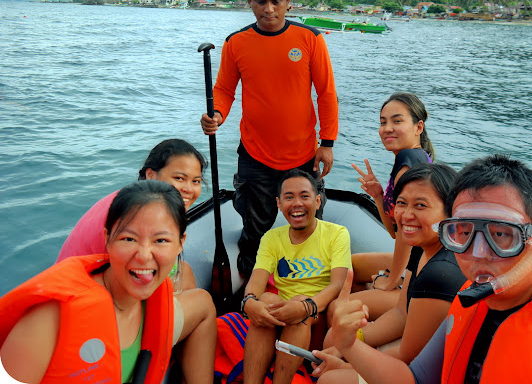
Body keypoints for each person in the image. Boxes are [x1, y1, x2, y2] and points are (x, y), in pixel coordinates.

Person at [313, 154, 532, 384]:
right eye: (464, 234)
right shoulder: (473, 300)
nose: (480, 254)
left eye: (502, 235)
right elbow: (413, 378)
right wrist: (349, 345)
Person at [0, 180, 216, 384]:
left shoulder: (157, 302)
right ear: (107, 239)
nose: (143, 255)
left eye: (161, 240)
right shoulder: (51, 316)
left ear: (180, 244)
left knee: (202, 302)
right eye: (128, 239)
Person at [200, 0, 339, 276]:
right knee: (254, 231)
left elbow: (326, 94)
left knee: (309, 224)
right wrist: (217, 115)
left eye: (276, 1)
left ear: (288, 0)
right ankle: (253, 295)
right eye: (261, 1)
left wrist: (327, 143)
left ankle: (312, 282)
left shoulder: (310, 38)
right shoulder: (236, 42)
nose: (269, 9)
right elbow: (224, 89)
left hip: (303, 154)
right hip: (255, 154)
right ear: (249, 0)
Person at [323, 164, 466, 368]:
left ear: (450, 212)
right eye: (402, 203)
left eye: (420, 205)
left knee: (331, 379)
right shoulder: (421, 246)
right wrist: (351, 341)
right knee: (332, 340)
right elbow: (401, 313)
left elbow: (409, 357)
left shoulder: (441, 272)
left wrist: (347, 361)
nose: (406, 215)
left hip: (427, 367)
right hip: (413, 350)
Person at [239, 170, 351, 384]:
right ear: (279, 204)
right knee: (266, 301)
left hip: (318, 315)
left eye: (305, 196)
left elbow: (337, 284)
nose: (297, 203)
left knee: (297, 304)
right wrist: (249, 301)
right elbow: (257, 280)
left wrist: (306, 307)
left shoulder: (337, 233)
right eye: (289, 197)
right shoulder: (272, 238)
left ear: (317, 201)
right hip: (281, 315)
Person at [57, 138, 207, 291]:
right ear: (151, 175)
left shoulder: (130, 198)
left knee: (185, 272)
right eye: (179, 178)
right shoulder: (144, 213)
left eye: (196, 181)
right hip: (85, 293)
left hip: (88, 279)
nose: (189, 189)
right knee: (202, 301)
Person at [347, 93, 434, 322]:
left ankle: (367, 326)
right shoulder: (416, 158)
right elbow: (397, 231)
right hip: (418, 258)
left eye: (397, 121)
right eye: (383, 122)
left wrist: (392, 280)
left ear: (418, 127)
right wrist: (378, 196)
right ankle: (372, 321)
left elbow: (406, 234)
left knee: (339, 305)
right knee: (351, 267)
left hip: (418, 268)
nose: (387, 128)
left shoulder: (408, 162)